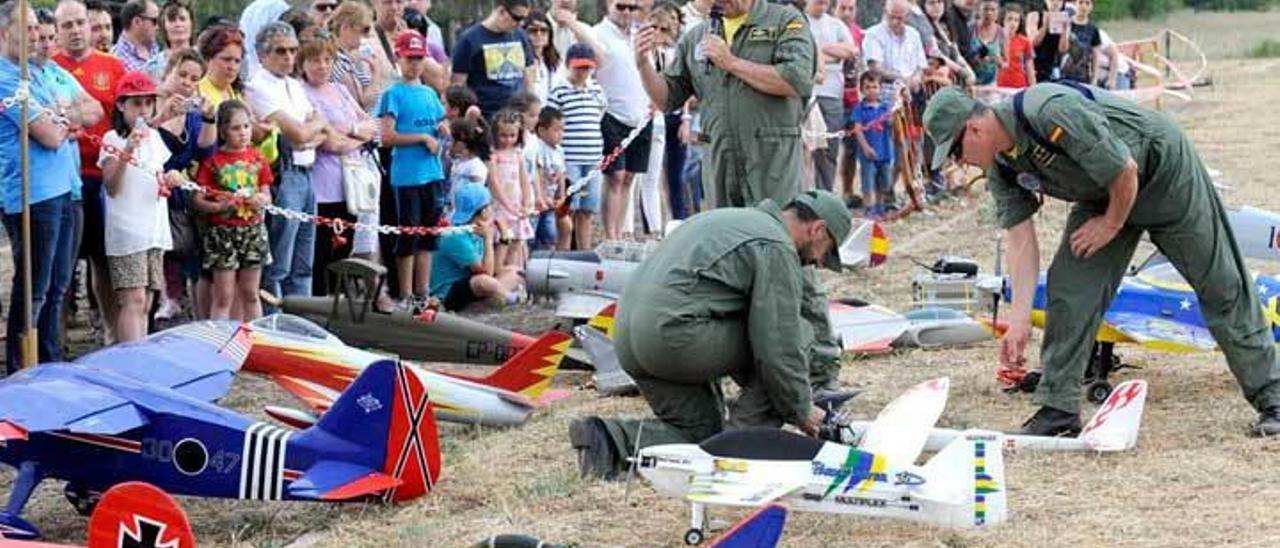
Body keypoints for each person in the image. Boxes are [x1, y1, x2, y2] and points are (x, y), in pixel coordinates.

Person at [924, 83, 1280, 437]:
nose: (959, 162)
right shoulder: (1002, 168)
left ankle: (1274, 398)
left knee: (1221, 284)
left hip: (1163, 174)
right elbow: (1020, 241)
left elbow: (1125, 169)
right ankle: (1058, 408)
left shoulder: (1049, 110)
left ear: (974, 128)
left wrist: (1111, 224)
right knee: (1069, 289)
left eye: (955, 151)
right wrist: (1018, 320)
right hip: (1102, 194)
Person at [570, 190, 854, 479]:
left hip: (628, 339)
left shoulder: (733, 219)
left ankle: (610, 439)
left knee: (701, 434)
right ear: (817, 229)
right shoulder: (777, 245)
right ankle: (735, 454)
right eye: (826, 251)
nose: (819, 263)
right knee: (792, 344)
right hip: (673, 337)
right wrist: (802, 408)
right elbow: (779, 347)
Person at [632, 0, 816, 209]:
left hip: (772, 164)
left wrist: (731, 63)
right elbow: (666, 100)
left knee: (773, 234)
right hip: (720, 166)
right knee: (725, 237)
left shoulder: (785, 20)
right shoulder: (697, 37)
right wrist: (643, 64)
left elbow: (796, 80)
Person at [1, 0, 78, 373]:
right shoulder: (5, 77)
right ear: (5, 33)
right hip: (33, 194)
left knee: (57, 285)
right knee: (34, 287)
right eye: (27, 28)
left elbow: (83, 110)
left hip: (62, 187)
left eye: (36, 27)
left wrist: (63, 118)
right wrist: (62, 120)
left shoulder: (38, 73)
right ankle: (21, 367)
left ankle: (51, 360)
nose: (35, 35)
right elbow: (49, 134)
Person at [54, 0, 127, 344]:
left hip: (104, 176)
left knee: (104, 259)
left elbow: (125, 116)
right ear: (56, 31)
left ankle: (111, 332)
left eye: (80, 22)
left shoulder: (113, 66)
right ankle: (59, 337)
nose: (75, 30)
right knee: (63, 264)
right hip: (62, 177)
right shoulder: (46, 67)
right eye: (66, 25)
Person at [246, 21, 329, 301]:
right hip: (285, 173)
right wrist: (310, 130)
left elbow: (321, 129)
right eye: (281, 51)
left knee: (304, 261)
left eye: (293, 50)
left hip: (306, 171)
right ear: (262, 54)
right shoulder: (258, 85)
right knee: (279, 261)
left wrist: (310, 131)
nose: (289, 57)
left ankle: (302, 323)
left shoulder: (294, 83)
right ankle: (275, 323)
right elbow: (301, 132)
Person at [99, 72, 178, 343]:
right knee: (133, 299)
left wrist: (174, 177)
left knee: (147, 301)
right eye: (136, 103)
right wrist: (127, 151)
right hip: (127, 231)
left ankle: (139, 353)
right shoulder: (112, 138)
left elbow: (159, 174)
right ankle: (129, 358)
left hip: (153, 230)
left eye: (147, 103)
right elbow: (111, 186)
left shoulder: (154, 137)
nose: (143, 110)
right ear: (121, 105)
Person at [302, 37, 378, 297]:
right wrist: (351, 136)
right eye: (315, 60)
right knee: (321, 251)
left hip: (351, 182)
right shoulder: (302, 93)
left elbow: (369, 126)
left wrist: (348, 132)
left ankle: (338, 302)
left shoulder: (341, 90)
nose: (322, 66)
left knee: (344, 250)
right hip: (323, 185)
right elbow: (326, 142)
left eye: (327, 60)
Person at [377, 30, 447, 307]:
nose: (415, 64)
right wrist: (421, 137)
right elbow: (387, 136)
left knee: (428, 236)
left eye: (419, 58)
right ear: (398, 58)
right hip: (407, 176)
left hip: (432, 172)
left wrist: (443, 128)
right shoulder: (393, 93)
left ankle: (423, 291)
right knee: (408, 235)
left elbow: (441, 124)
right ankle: (405, 294)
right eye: (410, 58)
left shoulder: (429, 93)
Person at [152, 48, 216, 321]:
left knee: (187, 253)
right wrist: (162, 117)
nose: (187, 83)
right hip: (150, 192)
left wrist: (210, 117)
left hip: (181, 193)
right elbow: (134, 137)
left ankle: (185, 308)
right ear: (168, 72)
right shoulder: (148, 101)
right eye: (182, 75)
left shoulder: (192, 114)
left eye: (194, 79)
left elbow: (206, 152)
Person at [193, 100, 272, 322]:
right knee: (223, 296)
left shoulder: (258, 158)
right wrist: (219, 206)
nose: (243, 133)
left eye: (246, 126)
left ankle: (255, 340)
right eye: (236, 128)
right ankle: (218, 344)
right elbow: (197, 199)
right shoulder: (212, 162)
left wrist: (260, 200)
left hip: (253, 231)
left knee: (251, 293)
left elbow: (267, 194)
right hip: (223, 233)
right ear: (223, 130)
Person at [594, 0, 654, 240]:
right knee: (615, 176)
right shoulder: (598, 34)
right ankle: (611, 236)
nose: (627, 12)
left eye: (632, 7)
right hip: (611, 114)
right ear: (609, 5)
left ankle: (620, 232)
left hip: (640, 114)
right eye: (621, 6)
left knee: (629, 176)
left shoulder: (640, 35)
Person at [547, 42, 606, 251]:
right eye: (578, 67)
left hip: (593, 158)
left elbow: (600, 114)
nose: (583, 72)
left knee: (588, 210)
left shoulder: (596, 90)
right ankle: (564, 251)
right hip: (570, 158)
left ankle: (584, 251)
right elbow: (551, 122)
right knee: (569, 208)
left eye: (587, 68)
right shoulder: (559, 91)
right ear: (568, 65)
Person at [430, 183, 525, 312]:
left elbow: (497, 268)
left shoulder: (476, 229)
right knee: (484, 282)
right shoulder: (456, 236)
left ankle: (499, 298)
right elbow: (487, 273)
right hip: (447, 295)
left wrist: (504, 238)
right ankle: (510, 299)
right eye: (490, 204)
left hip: (472, 286)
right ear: (484, 211)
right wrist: (488, 238)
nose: (492, 208)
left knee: (514, 271)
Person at [450, 0, 535, 119]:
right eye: (517, 18)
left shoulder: (520, 36)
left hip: (516, 119)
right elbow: (458, 86)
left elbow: (529, 76)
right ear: (501, 11)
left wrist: (531, 111)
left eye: (524, 19)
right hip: (485, 117)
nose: (520, 23)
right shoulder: (469, 39)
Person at [805, 0, 857, 193]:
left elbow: (851, 51)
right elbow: (802, 54)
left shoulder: (836, 25)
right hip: (805, 94)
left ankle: (824, 195)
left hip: (832, 94)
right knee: (804, 150)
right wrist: (834, 54)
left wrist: (819, 50)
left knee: (829, 149)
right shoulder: (800, 21)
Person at [487, 110, 533, 268]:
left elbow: (524, 180)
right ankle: (499, 275)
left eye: (512, 135)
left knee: (516, 244)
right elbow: (493, 182)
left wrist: (527, 202)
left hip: (516, 206)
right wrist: (506, 204)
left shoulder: (517, 155)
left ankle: (512, 276)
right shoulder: (493, 155)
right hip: (500, 207)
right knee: (501, 244)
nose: (508, 140)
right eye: (503, 135)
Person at [851, 71, 894, 217]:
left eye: (875, 87)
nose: (871, 90)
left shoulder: (885, 107)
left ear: (880, 88)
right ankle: (868, 207)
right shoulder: (859, 108)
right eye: (867, 87)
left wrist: (891, 118)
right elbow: (857, 130)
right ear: (862, 89)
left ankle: (880, 205)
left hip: (885, 151)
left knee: (884, 180)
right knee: (868, 181)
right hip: (868, 153)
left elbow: (892, 124)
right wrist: (866, 148)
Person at [528, 107, 569, 251]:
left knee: (550, 235)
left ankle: (549, 260)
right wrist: (543, 197)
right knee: (532, 236)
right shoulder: (538, 148)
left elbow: (562, 174)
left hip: (551, 203)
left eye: (562, 130)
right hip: (538, 202)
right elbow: (538, 173)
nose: (561, 134)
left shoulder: (560, 150)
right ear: (542, 131)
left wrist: (562, 195)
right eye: (556, 130)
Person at [327, 1, 381, 110]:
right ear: (346, 28)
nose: (367, 35)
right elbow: (361, 105)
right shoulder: (337, 62)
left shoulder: (349, 60)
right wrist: (376, 73)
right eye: (365, 29)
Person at [863, 0, 926, 92]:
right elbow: (875, 68)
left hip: (912, 92)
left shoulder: (914, 35)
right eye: (891, 17)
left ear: (907, 16)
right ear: (885, 12)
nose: (895, 21)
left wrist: (916, 78)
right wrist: (902, 79)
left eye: (900, 18)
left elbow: (921, 65)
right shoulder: (873, 34)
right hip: (883, 92)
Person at [1061, 0, 1111, 87]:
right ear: (1075, 4)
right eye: (1080, 2)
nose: (1083, 6)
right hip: (1064, 76)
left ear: (1091, 7)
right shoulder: (1066, 24)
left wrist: (1094, 78)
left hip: (1083, 77)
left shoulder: (1093, 29)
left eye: (1087, 3)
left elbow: (1095, 56)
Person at [143, 0, 193, 81]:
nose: (178, 24)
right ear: (164, 27)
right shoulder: (151, 67)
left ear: (191, 24)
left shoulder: (206, 59)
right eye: (172, 20)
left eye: (182, 19)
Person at [1026, 0, 1070, 83]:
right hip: (1032, 67)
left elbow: (1063, 50)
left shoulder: (1064, 19)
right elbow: (1033, 43)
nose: (1055, 3)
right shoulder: (1035, 15)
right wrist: (1045, 25)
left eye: (1059, 1)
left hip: (1050, 68)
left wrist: (1064, 31)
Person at [112, 0, 162, 72]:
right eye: (155, 21)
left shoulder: (154, 47)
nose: (158, 27)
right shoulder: (116, 60)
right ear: (137, 22)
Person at [523, 10, 561, 104]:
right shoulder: (520, 60)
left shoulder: (557, 61)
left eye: (543, 30)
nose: (539, 34)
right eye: (533, 30)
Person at [996, 4, 1034, 89]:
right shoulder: (995, 38)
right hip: (999, 86)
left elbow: (1030, 68)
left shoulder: (1025, 42)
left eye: (1016, 20)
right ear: (1003, 20)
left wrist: (1033, 89)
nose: (1013, 23)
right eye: (1009, 19)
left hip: (1019, 86)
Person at [968, 0, 1003, 86]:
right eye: (986, 9)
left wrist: (996, 60)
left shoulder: (1001, 32)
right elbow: (961, 53)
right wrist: (975, 58)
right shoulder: (970, 28)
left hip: (991, 84)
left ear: (998, 12)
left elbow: (1006, 63)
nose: (989, 13)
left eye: (993, 10)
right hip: (969, 81)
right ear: (978, 10)